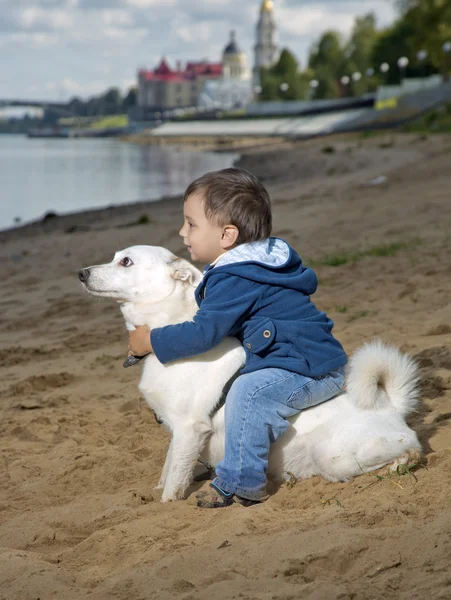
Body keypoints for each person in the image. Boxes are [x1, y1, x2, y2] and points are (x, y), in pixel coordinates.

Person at [128, 167, 347, 508]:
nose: (182, 231)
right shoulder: (253, 264)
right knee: (227, 387)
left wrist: (152, 342)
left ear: (227, 235)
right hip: (300, 357)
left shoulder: (234, 277)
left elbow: (205, 333)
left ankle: (241, 482)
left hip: (308, 368)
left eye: (191, 224)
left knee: (249, 393)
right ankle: (216, 455)